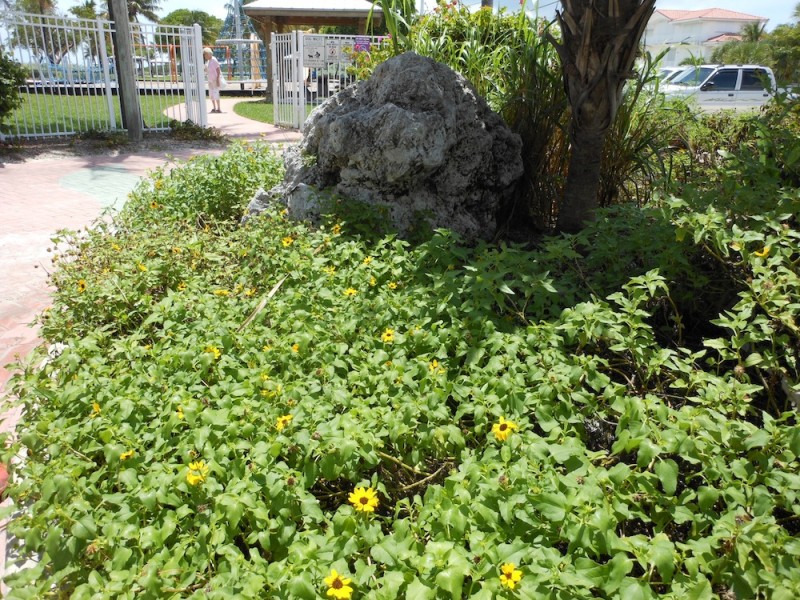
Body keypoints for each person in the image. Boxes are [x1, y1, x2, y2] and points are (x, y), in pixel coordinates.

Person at [203, 47, 222, 114]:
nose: (205, 56)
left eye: (205, 54)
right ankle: (214, 108)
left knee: (216, 93)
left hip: (215, 79)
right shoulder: (208, 62)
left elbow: (218, 70)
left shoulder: (214, 60)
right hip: (210, 80)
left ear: (208, 54)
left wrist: (217, 79)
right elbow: (206, 70)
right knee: (211, 94)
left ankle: (219, 108)